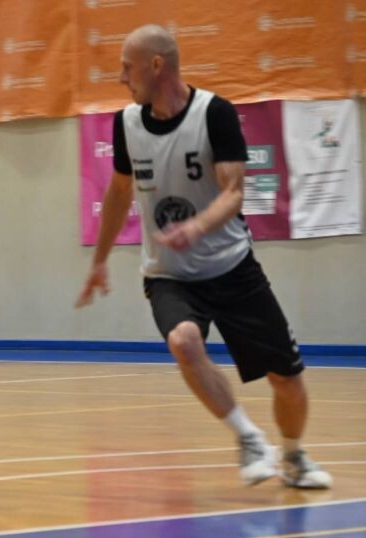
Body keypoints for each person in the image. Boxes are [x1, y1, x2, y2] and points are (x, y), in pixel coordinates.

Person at [75, 24, 331, 489]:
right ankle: (249, 438)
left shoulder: (215, 113)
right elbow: (118, 191)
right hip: (169, 275)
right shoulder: (126, 123)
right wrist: (99, 260)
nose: (121, 78)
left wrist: (196, 226)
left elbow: (233, 193)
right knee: (184, 341)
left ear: (156, 66)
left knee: (286, 379)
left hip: (231, 266)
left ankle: (294, 456)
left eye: (127, 68)